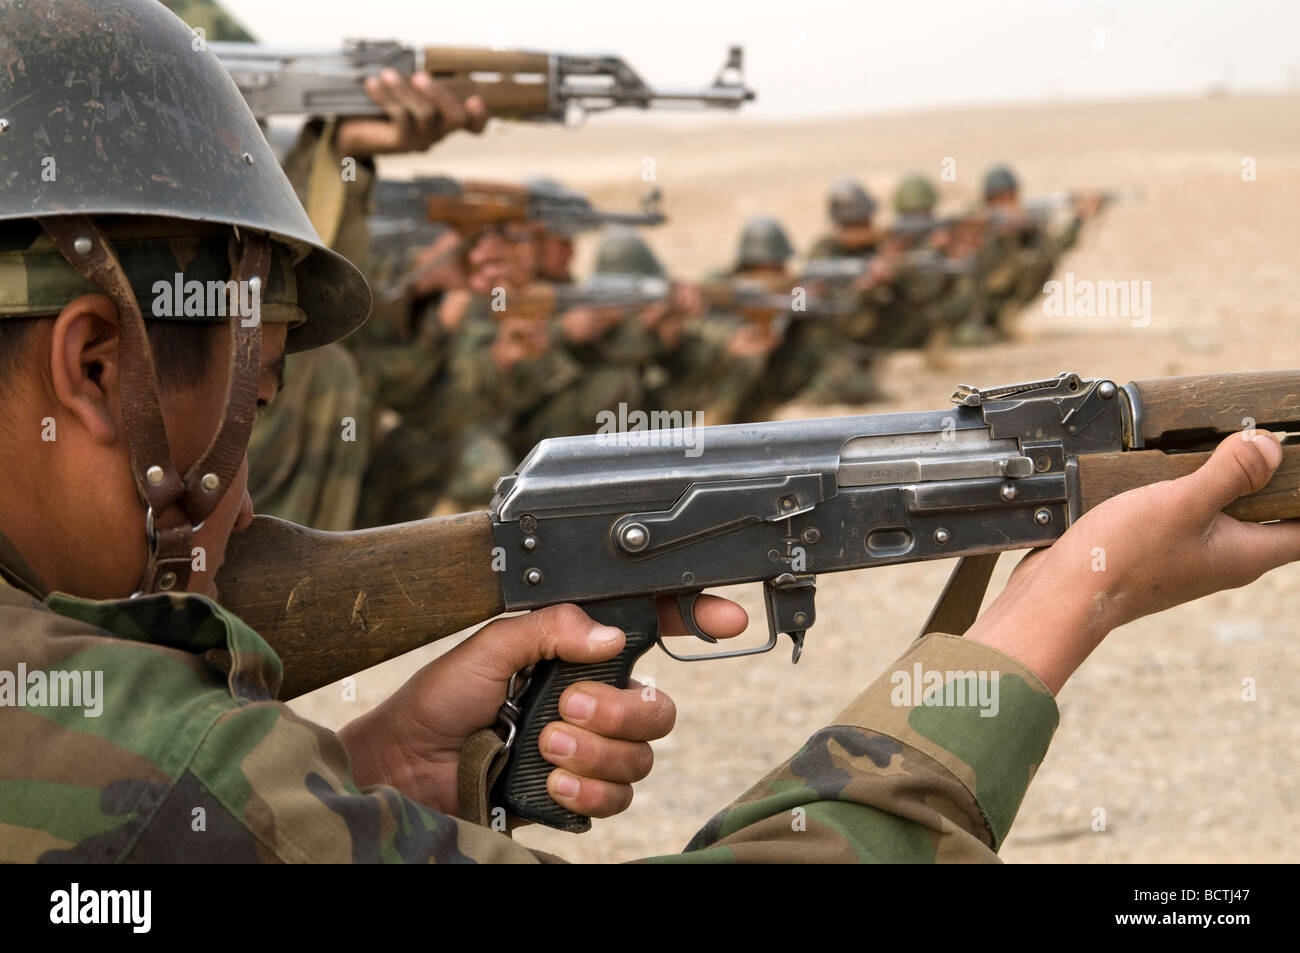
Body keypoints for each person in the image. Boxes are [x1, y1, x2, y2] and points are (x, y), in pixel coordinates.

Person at [5, 0, 1299, 864]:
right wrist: (1050, 616)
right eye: (263, 391)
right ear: (96, 360)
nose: (242, 509)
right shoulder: (145, 747)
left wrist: (367, 767)